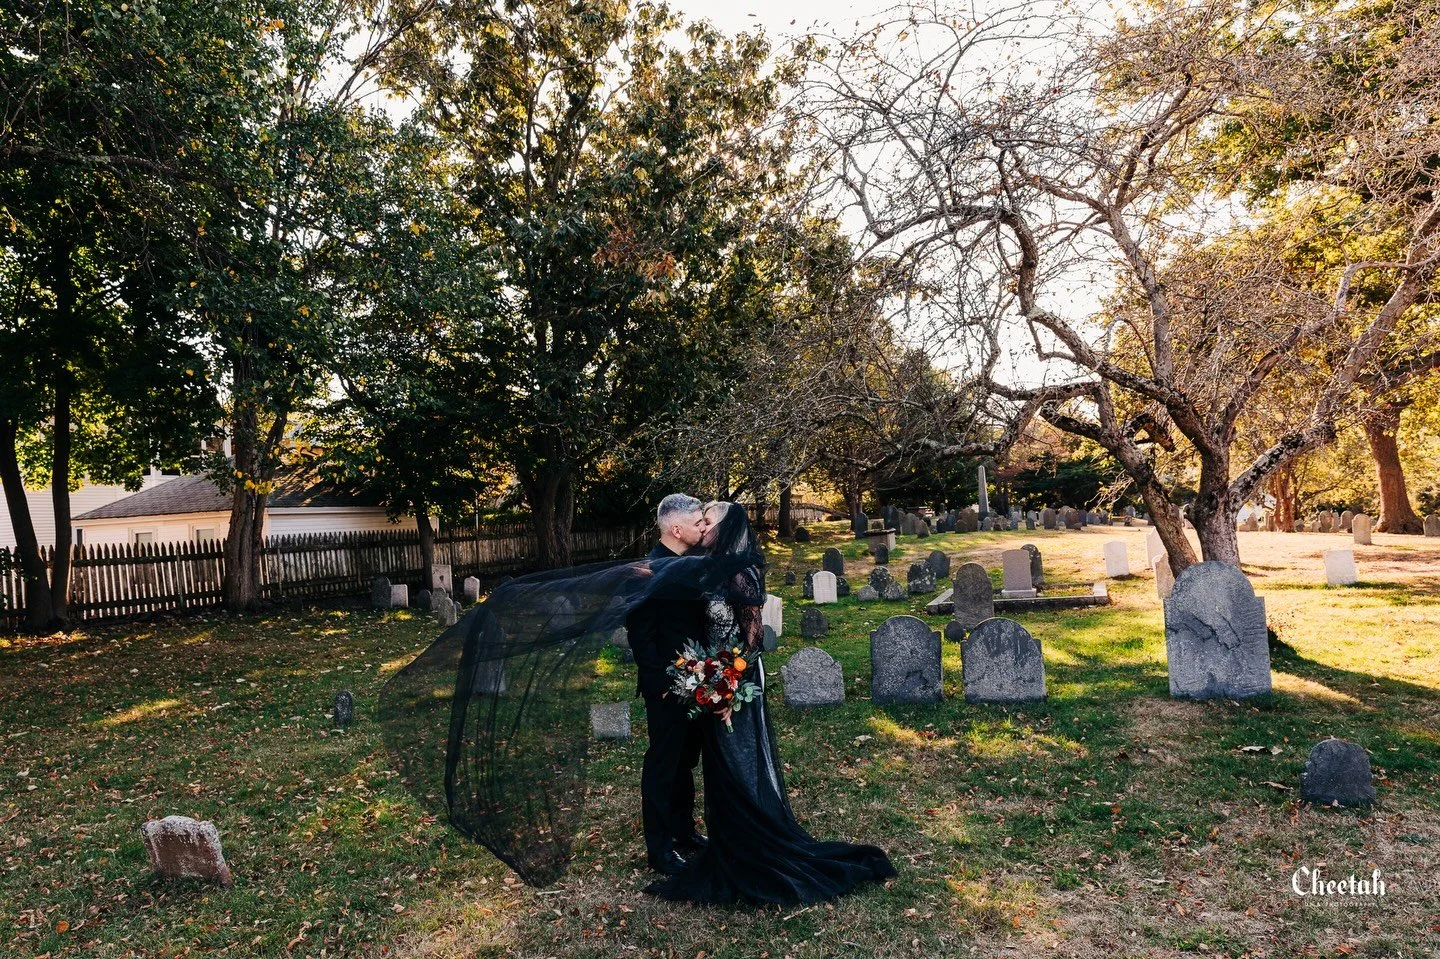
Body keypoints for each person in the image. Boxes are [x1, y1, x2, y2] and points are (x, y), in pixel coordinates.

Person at [644, 501, 896, 906]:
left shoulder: (742, 573)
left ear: (725, 529)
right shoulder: (703, 565)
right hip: (710, 681)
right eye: (699, 520)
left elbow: (754, 641)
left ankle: (753, 838)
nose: (704, 525)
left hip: (735, 679)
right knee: (718, 763)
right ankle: (722, 835)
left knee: (741, 759)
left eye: (709, 521)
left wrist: (729, 686)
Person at [626, 493, 712, 875]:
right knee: (663, 763)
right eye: (697, 523)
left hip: (698, 680)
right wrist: (660, 682)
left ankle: (683, 831)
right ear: (676, 529)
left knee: (686, 761)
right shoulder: (647, 569)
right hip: (666, 685)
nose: (702, 528)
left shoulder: (694, 562)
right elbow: (640, 632)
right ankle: (659, 849)